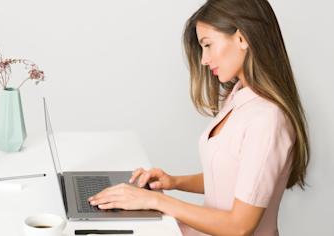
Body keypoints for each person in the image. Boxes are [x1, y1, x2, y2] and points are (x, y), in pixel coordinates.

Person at [88, 0, 310, 235]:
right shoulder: (238, 97)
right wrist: (173, 182)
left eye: (208, 45)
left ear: (242, 38)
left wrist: (156, 201)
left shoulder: (268, 119)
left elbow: (240, 226)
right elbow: (230, 177)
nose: (204, 59)